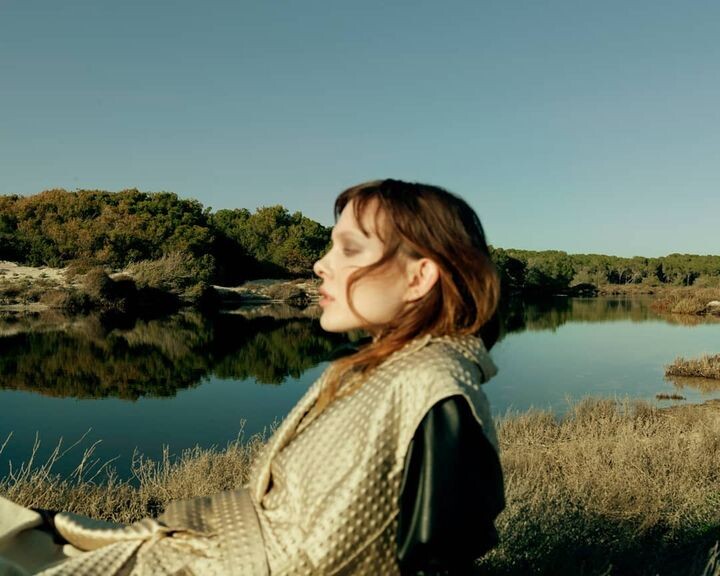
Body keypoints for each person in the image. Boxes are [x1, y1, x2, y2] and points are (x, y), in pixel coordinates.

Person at [0, 179, 504, 575]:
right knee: (24, 532)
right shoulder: (390, 368)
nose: (320, 264)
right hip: (207, 551)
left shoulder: (432, 385)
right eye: (330, 247)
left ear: (419, 276)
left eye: (349, 250)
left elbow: (441, 554)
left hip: (220, 566)